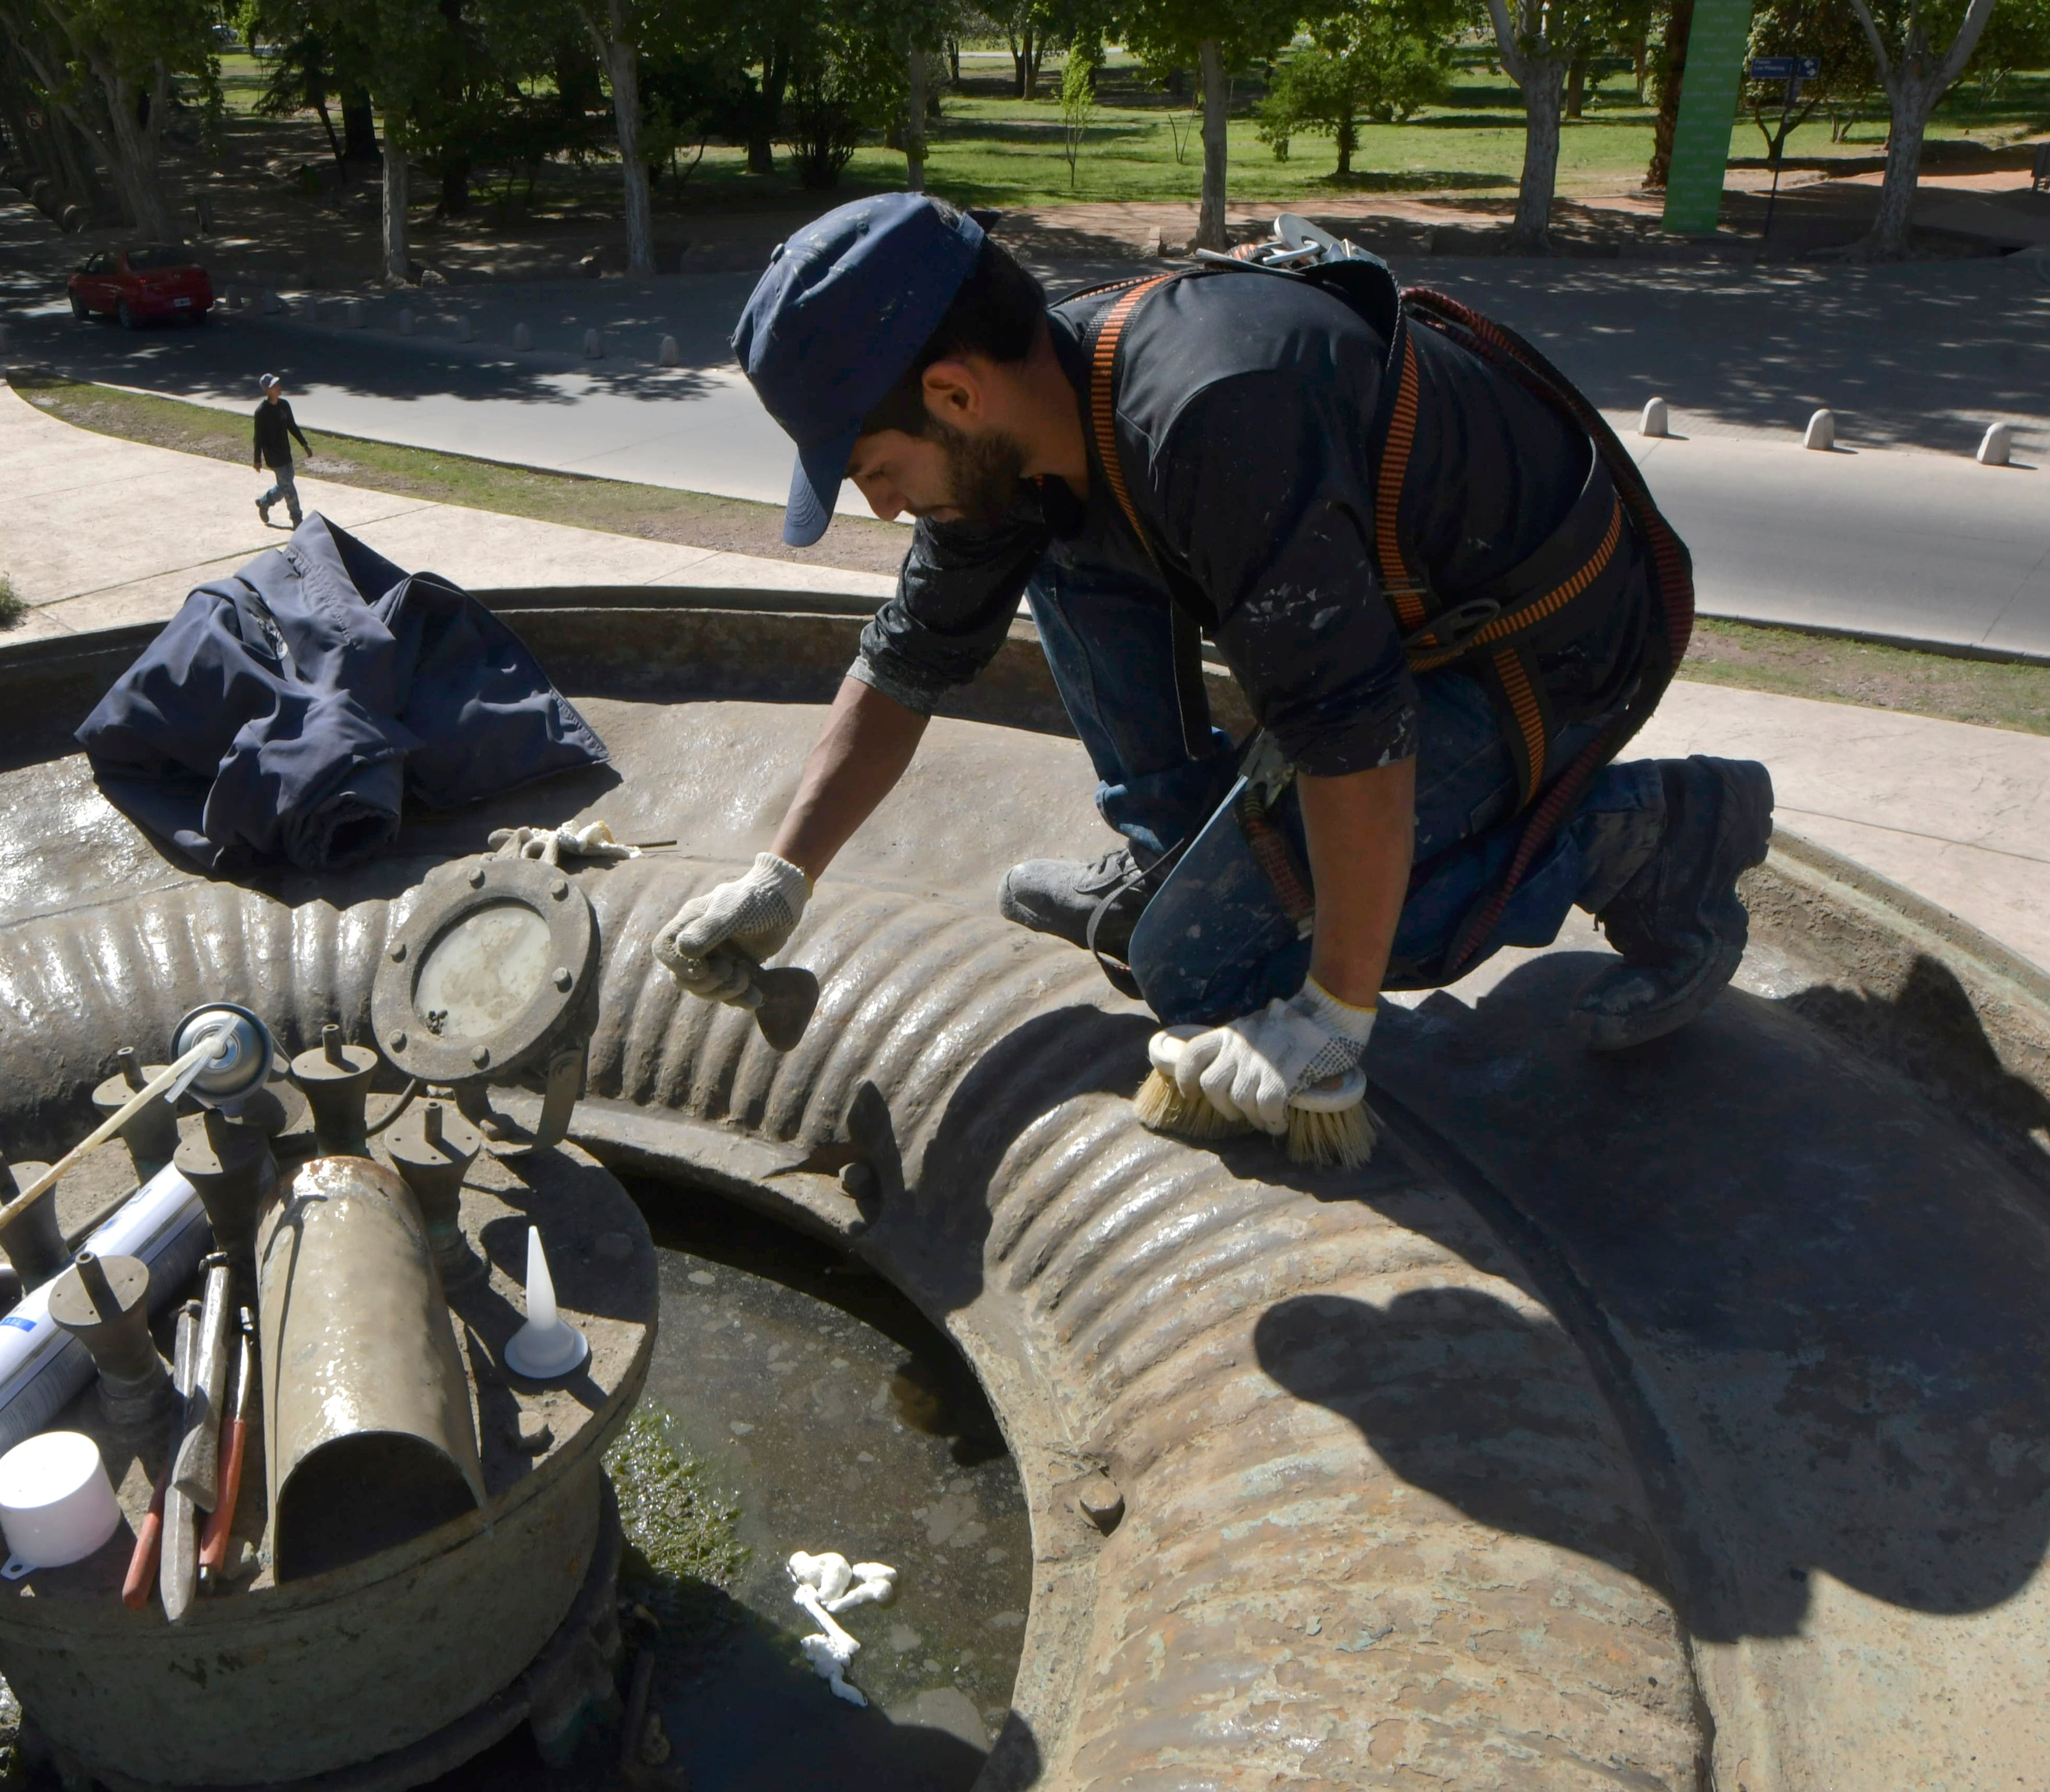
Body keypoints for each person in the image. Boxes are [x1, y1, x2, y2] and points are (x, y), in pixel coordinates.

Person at [652, 194, 1773, 1143]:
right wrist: (782, 875)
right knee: (1049, 541)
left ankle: (1655, 833)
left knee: (1250, 956)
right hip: (1400, 633)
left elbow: (1354, 736)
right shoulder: (1033, 401)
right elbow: (911, 656)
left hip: (1546, 647)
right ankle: (1173, 847)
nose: (880, 503)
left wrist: (1337, 1011)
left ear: (953, 393)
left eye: (871, 468)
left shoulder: (1213, 415)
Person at [253, 374, 312, 526]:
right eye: (275, 386)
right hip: (273, 456)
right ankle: (297, 519)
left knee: (286, 484)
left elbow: (292, 426)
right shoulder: (262, 412)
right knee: (289, 487)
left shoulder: (284, 406)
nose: (279, 387)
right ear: (267, 390)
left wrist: (304, 444)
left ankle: (265, 502)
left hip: (285, 452)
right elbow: (258, 437)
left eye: (278, 384)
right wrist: (257, 459)